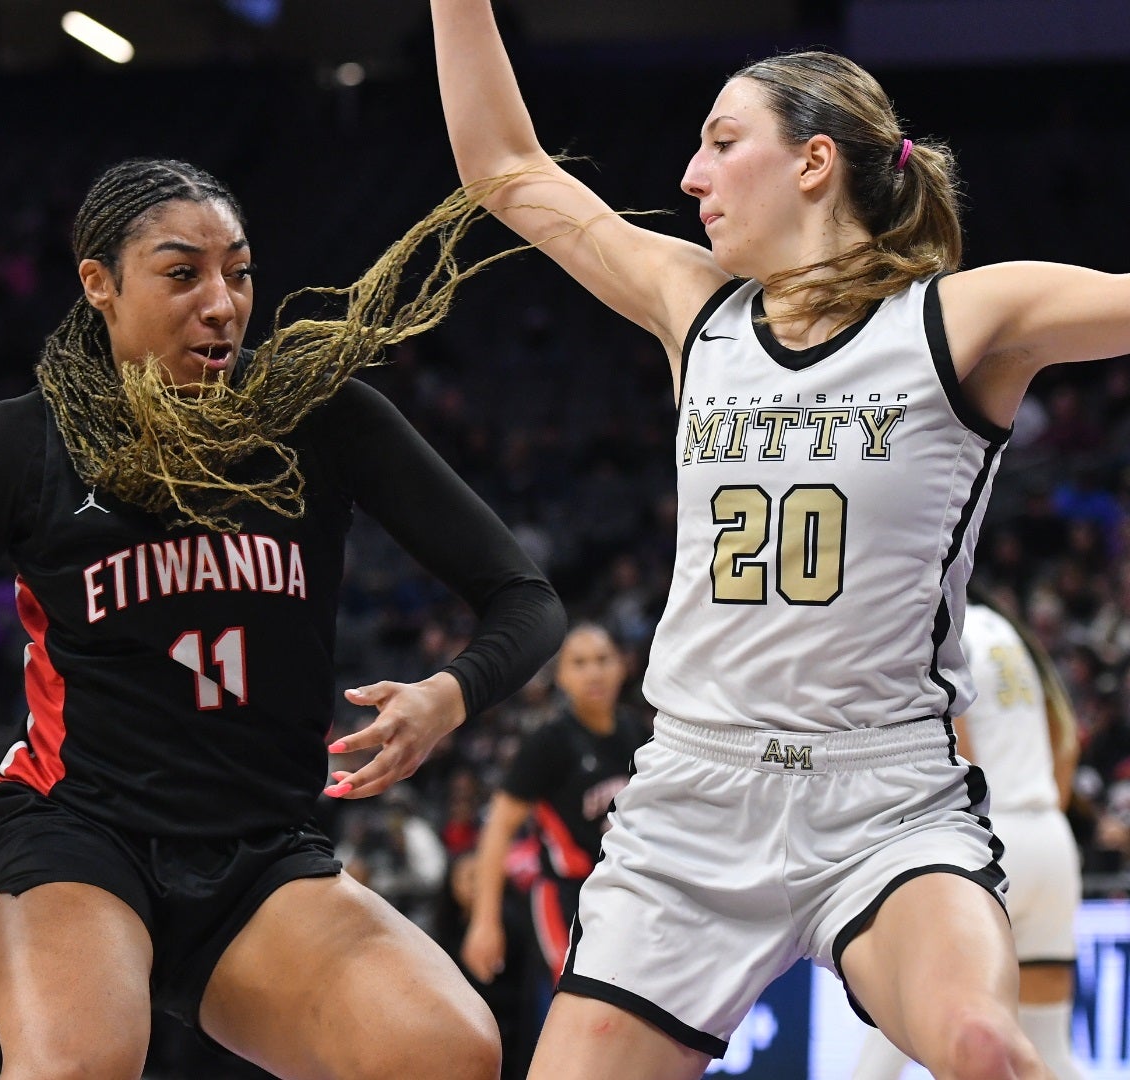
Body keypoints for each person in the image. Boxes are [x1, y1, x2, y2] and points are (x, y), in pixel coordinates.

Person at [0, 156, 566, 1080]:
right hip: (79, 833)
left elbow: (527, 598)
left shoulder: (323, 419)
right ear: (99, 285)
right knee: (84, 1068)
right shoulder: (19, 444)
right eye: (182, 272)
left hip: (260, 855)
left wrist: (449, 694)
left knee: (450, 1053)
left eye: (238, 270)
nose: (223, 302)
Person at [429, 2, 1130, 1076]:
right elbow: (503, 166)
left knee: (988, 1045)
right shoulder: (693, 306)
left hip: (883, 798)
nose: (692, 176)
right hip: (693, 803)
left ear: (813, 162)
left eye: (721, 142)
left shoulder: (959, 322)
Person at [853, 591, 1086, 1079]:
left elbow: (954, 748)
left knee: (882, 1051)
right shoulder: (1014, 637)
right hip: (1052, 842)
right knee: (1052, 1053)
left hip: (990, 843)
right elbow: (1064, 738)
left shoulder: (945, 629)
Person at [461, 622, 646, 987]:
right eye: (579, 663)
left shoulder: (637, 731)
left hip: (627, 890)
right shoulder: (549, 741)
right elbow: (498, 828)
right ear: (561, 676)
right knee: (581, 1003)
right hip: (567, 896)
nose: (593, 671)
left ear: (622, 666)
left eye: (602, 659)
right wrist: (485, 920)